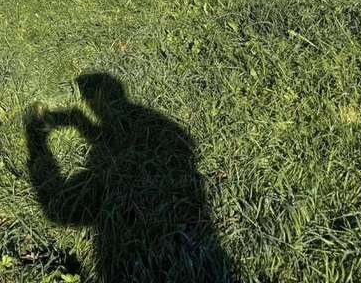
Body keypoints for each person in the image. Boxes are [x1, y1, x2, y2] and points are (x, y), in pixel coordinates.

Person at [24, 73, 235, 282]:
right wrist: (80, 123)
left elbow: (59, 213)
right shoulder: (158, 126)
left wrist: (37, 142)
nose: (91, 104)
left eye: (89, 99)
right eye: (89, 99)